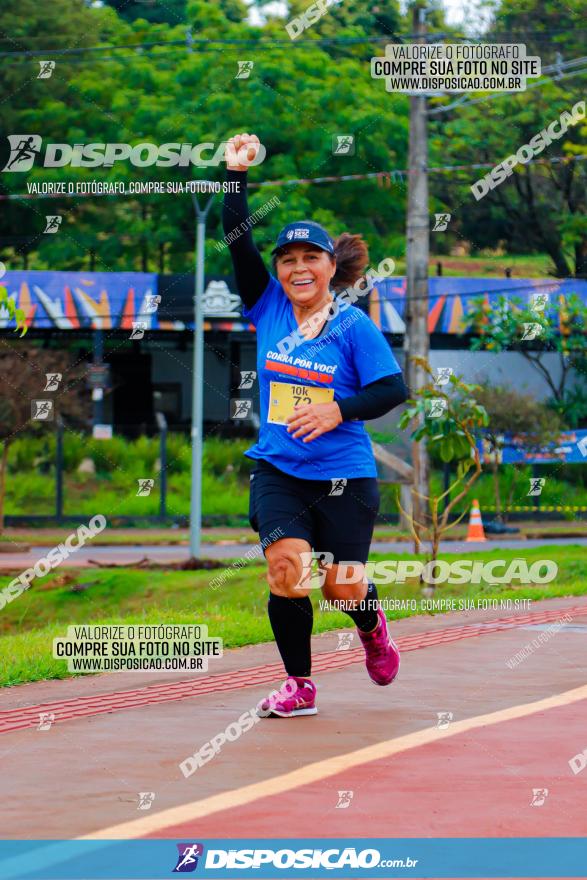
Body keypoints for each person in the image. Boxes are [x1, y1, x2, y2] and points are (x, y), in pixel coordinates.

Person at [223, 132, 409, 718]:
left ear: (332, 268)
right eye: (288, 260)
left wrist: (336, 408)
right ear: (279, 270)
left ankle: (372, 627)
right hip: (279, 468)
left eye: (311, 259)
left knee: (341, 586)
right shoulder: (268, 307)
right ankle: (300, 685)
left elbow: (392, 390)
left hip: (346, 475)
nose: (298, 268)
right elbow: (237, 242)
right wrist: (235, 176)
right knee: (288, 571)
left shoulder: (353, 326)